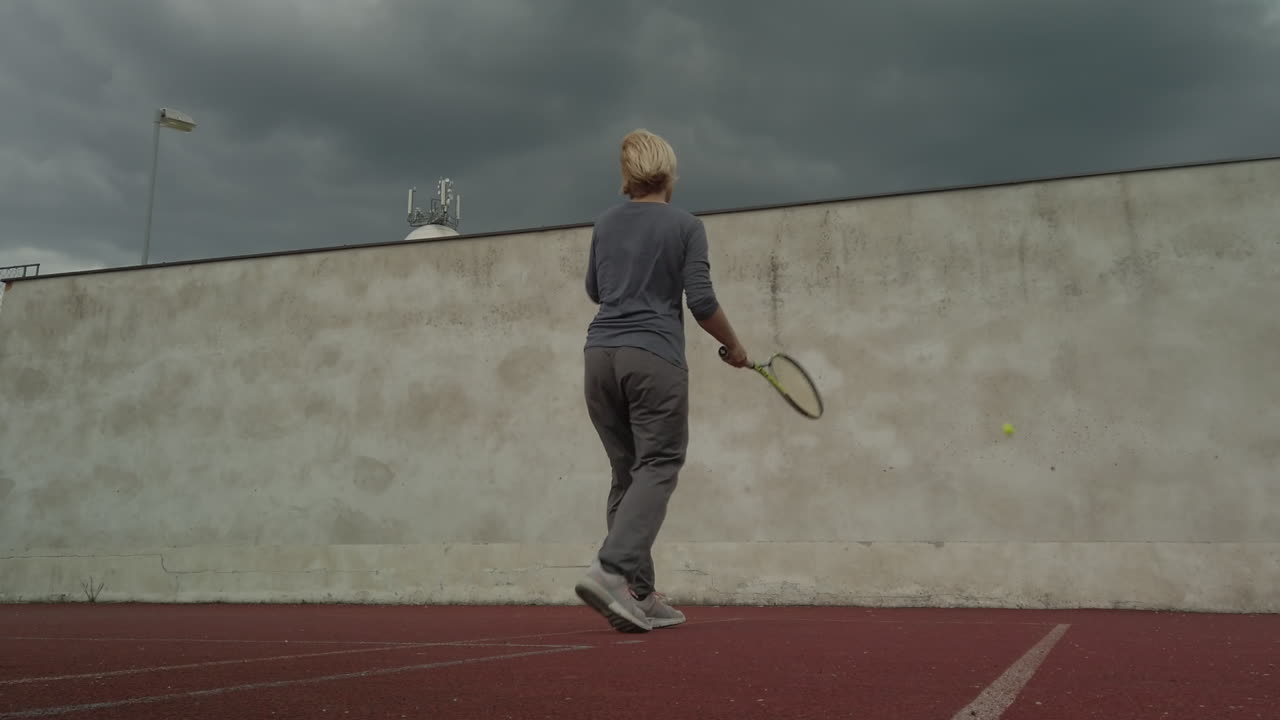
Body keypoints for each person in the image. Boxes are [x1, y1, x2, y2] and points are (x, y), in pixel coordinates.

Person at [574, 129, 750, 633]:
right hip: (653, 357)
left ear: (626, 176)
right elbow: (701, 301)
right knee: (661, 462)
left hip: (599, 356)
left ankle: (640, 596)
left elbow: (595, 289)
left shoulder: (606, 222)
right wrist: (735, 347)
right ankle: (611, 571)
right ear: (670, 174)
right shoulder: (686, 226)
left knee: (626, 473)